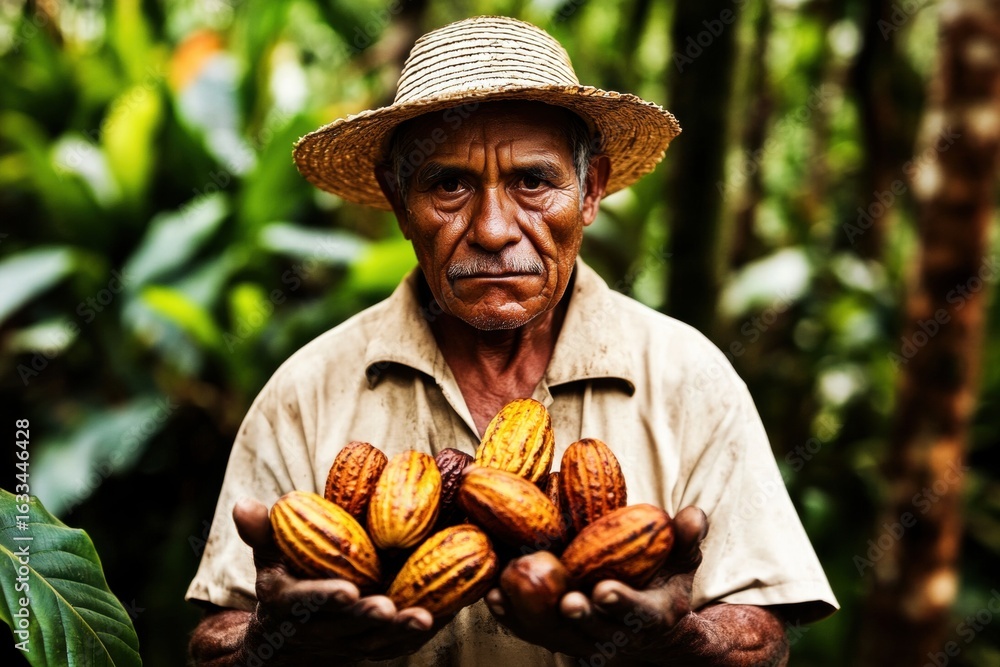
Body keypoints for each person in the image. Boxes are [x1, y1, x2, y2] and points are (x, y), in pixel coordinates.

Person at [186, 15, 838, 666]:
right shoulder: (306, 391)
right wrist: (274, 646)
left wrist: (680, 642)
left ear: (592, 189)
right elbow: (214, 646)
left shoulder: (690, 377)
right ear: (397, 198)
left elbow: (764, 637)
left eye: (532, 180)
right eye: (449, 184)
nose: (495, 229)